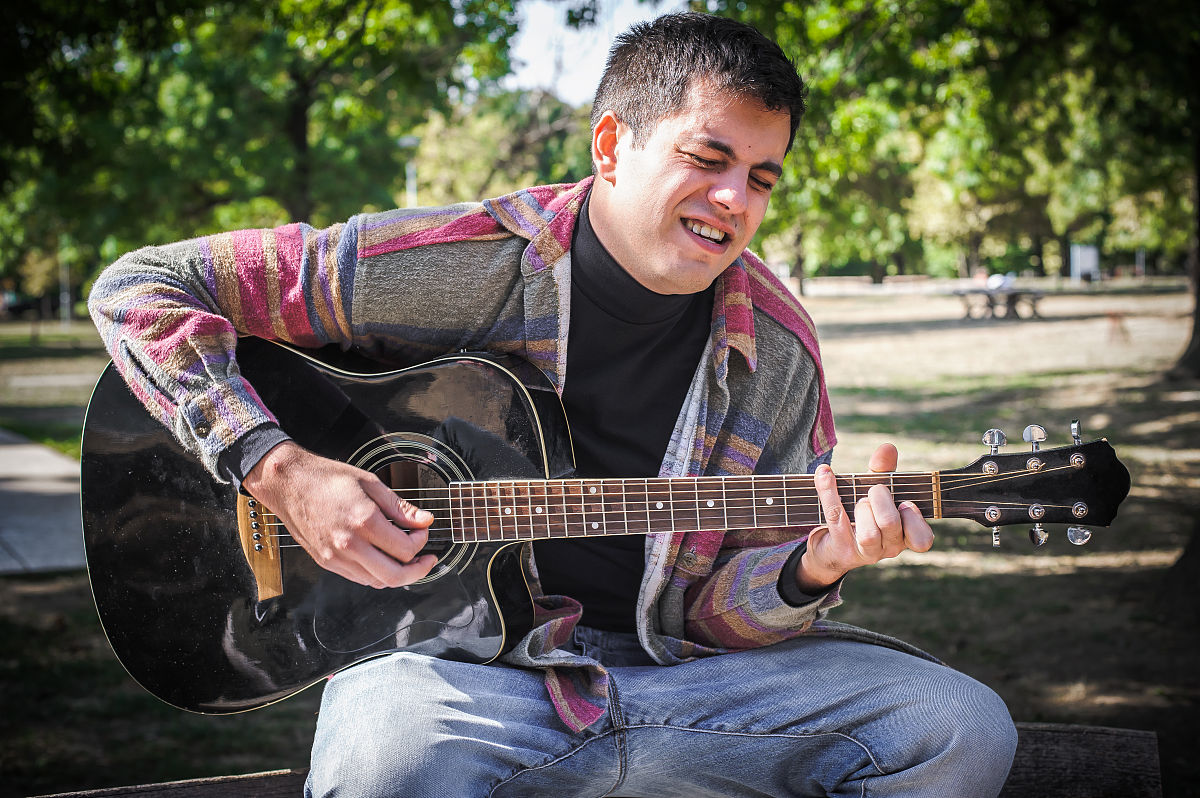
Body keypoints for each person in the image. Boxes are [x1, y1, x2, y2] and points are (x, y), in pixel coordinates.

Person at [88, 12, 1018, 797]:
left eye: (764, 176)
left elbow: (713, 626)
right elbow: (141, 287)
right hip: (460, 684)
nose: (736, 198)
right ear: (611, 145)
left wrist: (809, 572)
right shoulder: (457, 263)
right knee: (382, 751)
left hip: (680, 689)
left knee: (958, 725)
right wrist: (277, 468)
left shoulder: (777, 353)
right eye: (710, 156)